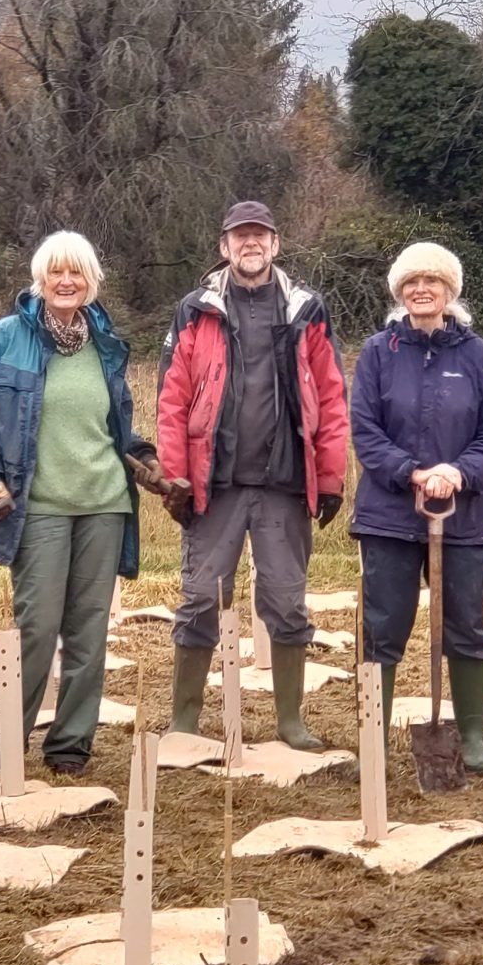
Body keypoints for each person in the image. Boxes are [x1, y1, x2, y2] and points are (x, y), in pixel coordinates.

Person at [0, 232, 164, 777]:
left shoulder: (106, 343)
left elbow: (112, 425)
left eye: (77, 273)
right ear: (39, 279)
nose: (67, 282)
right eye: (56, 272)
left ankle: (71, 746)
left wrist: (143, 457)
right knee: (37, 629)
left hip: (104, 503)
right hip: (38, 505)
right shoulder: (6, 338)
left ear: (92, 281)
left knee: (89, 632)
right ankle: (3, 745)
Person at [156, 201, 350, 751]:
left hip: (285, 484)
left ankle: (291, 722)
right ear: (224, 247)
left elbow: (331, 396)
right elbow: (171, 398)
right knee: (198, 599)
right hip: (214, 485)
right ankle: (185, 723)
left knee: (287, 603)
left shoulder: (306, 308)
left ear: (275, 244)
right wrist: (175, 477)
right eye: (240, 237)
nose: (250, 245)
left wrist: (331, 477)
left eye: (260, 236)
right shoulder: (196, 310)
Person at [349, 242, 483, 773]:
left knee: (466, 624)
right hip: (389, 515)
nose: (422, 289)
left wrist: (457, 472)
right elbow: (365, 429)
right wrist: (412, 472)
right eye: (412, 281)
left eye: (433, 281)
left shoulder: (475, 354)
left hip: (460, 516)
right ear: (400, 290)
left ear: (450, 291)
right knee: (383, 626)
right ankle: (372, 739)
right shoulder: (379, 351)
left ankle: (471, 738)